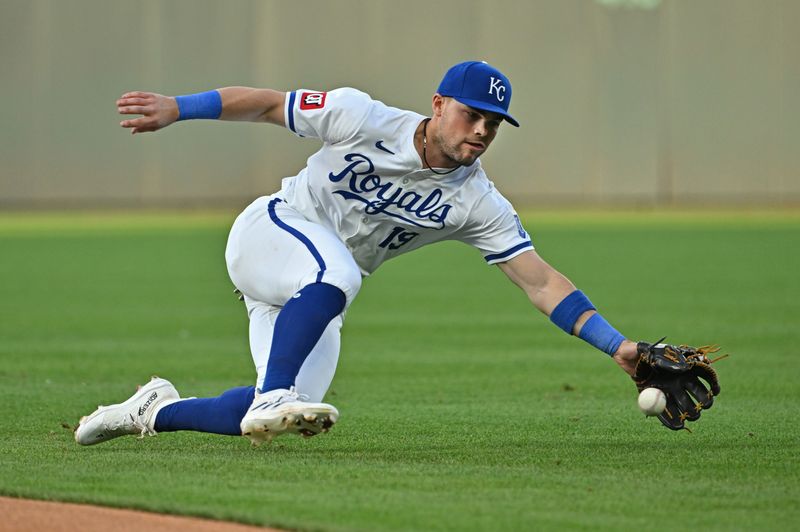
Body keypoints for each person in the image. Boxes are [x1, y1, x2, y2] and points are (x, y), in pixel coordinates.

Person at [75, 61, 642, 446]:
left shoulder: (477, 202)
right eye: (471, 114)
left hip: (315, 294)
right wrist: (179, 105)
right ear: (439, 105)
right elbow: (269, 105)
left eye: (493, 123)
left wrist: (619, 347)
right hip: (272, 233)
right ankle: (274, 389)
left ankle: (152, 411)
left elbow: (541, 283)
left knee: (276, 414)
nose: (481, 130)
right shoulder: (361, 117)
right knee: (334, 277)